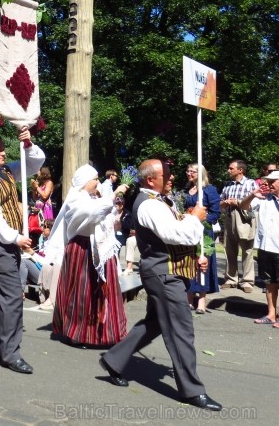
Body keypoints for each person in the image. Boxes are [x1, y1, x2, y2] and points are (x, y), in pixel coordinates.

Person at [100, 159, 222, 411]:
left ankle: (114, 360)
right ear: (149, 180)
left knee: (154, 323)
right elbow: (176, 234)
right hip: (163, 275)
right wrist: (196, 219)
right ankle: (191, 390)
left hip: (167, 272)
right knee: (181, 331)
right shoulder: (149, 205)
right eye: (165, 174)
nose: (171, 177)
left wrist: (196, 254)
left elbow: (177, 235)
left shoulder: (160, 201)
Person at [0, 127, 45, 374]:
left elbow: (34, 164)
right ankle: (10, 354)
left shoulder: (5, 172)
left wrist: (28, 142)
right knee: (13, 297)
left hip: (3, 243)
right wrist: (16, 238)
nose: (3, 153)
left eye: (3, 149)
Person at [48, 165, 129, 347]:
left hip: (99, 249)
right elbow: (92, 213)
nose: (98, 182)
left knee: (100, 291)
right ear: (85, 182)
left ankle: (104, 333)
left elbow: (105, 216)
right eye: (95, 179)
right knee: (82, 293)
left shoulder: (93, 198)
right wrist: (113, 194)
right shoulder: (76, 199)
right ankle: (78, 333)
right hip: (82, 250)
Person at [239, 170, 279, 327]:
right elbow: (243, 206)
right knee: (269, 282)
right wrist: (252, 195)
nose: (267, 184)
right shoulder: (262, 199)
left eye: (272, 182)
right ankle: (271, 314)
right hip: (265, 247)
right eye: (267, 182)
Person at [184, 164, 220, 314]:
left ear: (201, 173)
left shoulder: (209, 190)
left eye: (193, 171)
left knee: (203, 263)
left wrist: (200, 219)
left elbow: (215, 213)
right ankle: (189, 299)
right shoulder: (187, 190)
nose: (189, 173)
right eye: (188, 171)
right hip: (189, 230)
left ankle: (202, 301)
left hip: (204, 231)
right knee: (189, 262)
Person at [219, 160, 257, 293]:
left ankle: (247, 281)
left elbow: (256, 203)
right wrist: (225, 203)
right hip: (230, 218)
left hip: (245, 219)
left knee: (247, 250)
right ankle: (231, 279)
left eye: (231, 168)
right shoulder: (227, 185)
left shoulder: (250, 183)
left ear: (240, 170)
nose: (228, 170)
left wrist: (238, 202)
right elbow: (221, 203)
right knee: (230, 250)